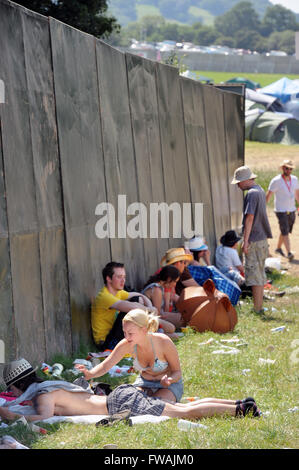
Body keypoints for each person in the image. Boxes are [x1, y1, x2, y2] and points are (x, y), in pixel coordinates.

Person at [0, 358, 261, 423]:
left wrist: (9, 414)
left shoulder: (43, 396)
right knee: (181, 408)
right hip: (119, 397)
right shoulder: (51, 386)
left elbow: (43, 416)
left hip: (119, 403)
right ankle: (237, 403)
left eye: (12, 390)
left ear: (17, 386)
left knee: (184, 414)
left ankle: (241, 411)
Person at [78, 309, 183, 403]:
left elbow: (177, 372)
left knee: (158, 405)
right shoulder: (127, 344)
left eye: (130, 333)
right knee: (131, 402)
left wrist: (169, 380)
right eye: (124, 332)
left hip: (169, 386)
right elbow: (106, 366)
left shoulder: (163, 342)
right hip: (144, 383)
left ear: (144, 330)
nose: (126, 337)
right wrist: (90, 374)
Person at [92, 262, 172, 351]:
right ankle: (152, 335)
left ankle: (153, 335)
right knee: (132, 308)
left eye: (124, 277)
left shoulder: (118, 292)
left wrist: (150, 307)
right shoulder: (104, 296)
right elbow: (132, 308)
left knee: (137, 299)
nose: (123, 280)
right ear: (108, 279)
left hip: (116, 334)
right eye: (119, 277)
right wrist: (151, 310)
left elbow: (140, 295)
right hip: (106, 343)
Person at [231, 165, 272, 314]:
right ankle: (259, 307)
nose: (238, 186)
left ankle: (257, 308)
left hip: (254, 239)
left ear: (246, 180)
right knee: (259, 273)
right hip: (261, 238)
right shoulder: (260, 190)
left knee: (254, 274)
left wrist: (246, 241)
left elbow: (249, 218)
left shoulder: (252, 194)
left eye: (239, 182)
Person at [266, 159, 299, 262]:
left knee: (286, 230)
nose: (288, 170)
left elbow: (297, 194)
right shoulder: (276, 181)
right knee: (285, 230)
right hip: (280, 210)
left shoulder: (295, 179)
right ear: (282, 168)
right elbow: (268, 195)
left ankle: (278, 248)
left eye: (290, 168)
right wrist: (262, 208)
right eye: (286, 168)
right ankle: (289, 253)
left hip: (292, 209)